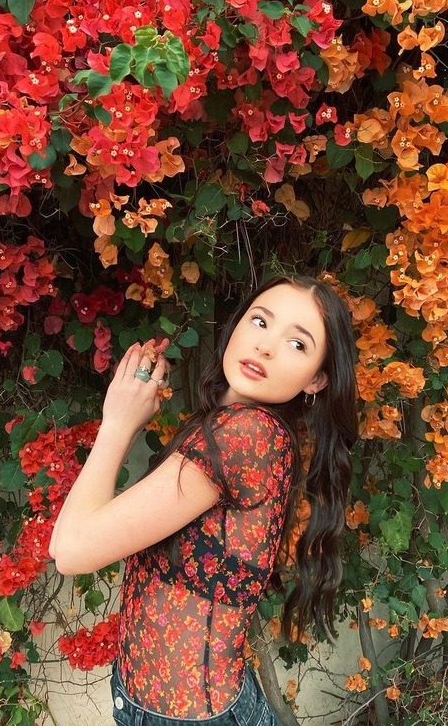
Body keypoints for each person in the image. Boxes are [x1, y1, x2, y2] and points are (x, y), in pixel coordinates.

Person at [49, 274, 358, 726]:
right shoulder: (228, 426)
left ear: (316, 379)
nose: (266, 346)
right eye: (260, 321)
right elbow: (67, 542)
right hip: (161, 707)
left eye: (297, 344)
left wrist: (117, 423)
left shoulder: (246, 435)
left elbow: (71, 551)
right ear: (237, 325)